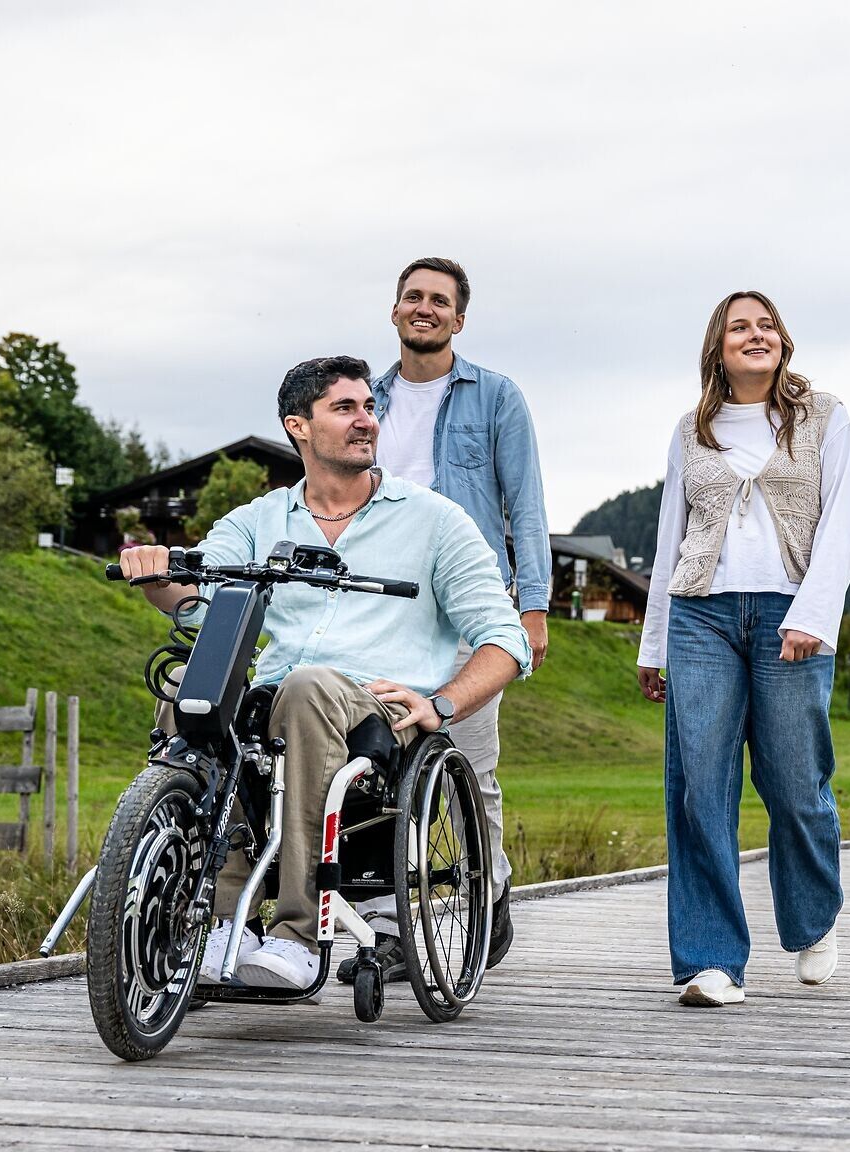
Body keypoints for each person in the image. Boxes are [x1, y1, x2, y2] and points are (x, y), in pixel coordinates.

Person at [119, 355, 531, 992]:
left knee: (308, 686)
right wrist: (156, 574)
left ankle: (298, 935)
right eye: (345, 408)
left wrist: (442, 705)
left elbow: (505, 639)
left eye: (369, 407)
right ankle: (214, 923)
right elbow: (198, 597)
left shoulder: (434, 521)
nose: (366, 421)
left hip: (374, 711)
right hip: (274, 702)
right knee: (186, 688)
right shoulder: (258, 521)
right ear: (299, 426)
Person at [635, 290, 850, 1007]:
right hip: (700, 615)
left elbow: (843, 523)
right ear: (719, 347)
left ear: (782, 341)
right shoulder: (691, 429)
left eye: (766, 325)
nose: (755, 335)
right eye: (740, 327)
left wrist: (813, 614)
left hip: (789, 614)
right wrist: (654, 643)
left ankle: (814, 919)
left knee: (795, 783)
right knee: (699, 786)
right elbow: (670, 536)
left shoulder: (824, 417)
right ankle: (712, 961)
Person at [369, 257, 550, 972]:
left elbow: (525, 506)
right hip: (383, 606)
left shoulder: (496, 397)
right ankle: (388, 927)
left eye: (439, 300)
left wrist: (532, 608)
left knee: (470, 766)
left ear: (459, 318)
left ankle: (486, 895)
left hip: (471, 605)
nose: (425, 308)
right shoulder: (365, 400)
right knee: (380, 766)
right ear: (394, 310)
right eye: (413, 296)